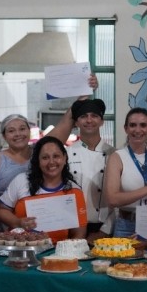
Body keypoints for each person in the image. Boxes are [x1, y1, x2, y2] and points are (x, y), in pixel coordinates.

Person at [47, 97, 114, 242]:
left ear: (102, 121)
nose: (89, 120)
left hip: (105, 230)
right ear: (76, 123)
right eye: (83, 116)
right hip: (71, 228)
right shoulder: (65, 155)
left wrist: (105, 231)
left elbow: (119, 198)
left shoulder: (114, 155)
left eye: (94, 116)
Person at [0, 135, 87, 241]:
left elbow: (79, 233)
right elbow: (2, 211)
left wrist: (66, 251)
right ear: (38, 161)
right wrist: (18, 222)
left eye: (56, 156)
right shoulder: (21, 181)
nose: (51, 162)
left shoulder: (74, 191)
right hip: (24, 249)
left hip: (59, 252)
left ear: (65, 158)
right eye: (45, 157)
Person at [104, 107, 147, 238]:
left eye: (143, 125)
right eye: (132, 125)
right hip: (127, 225)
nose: (137, 130)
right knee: (123, 259)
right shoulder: (117, 157)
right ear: (126, 128)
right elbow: (112, 199)